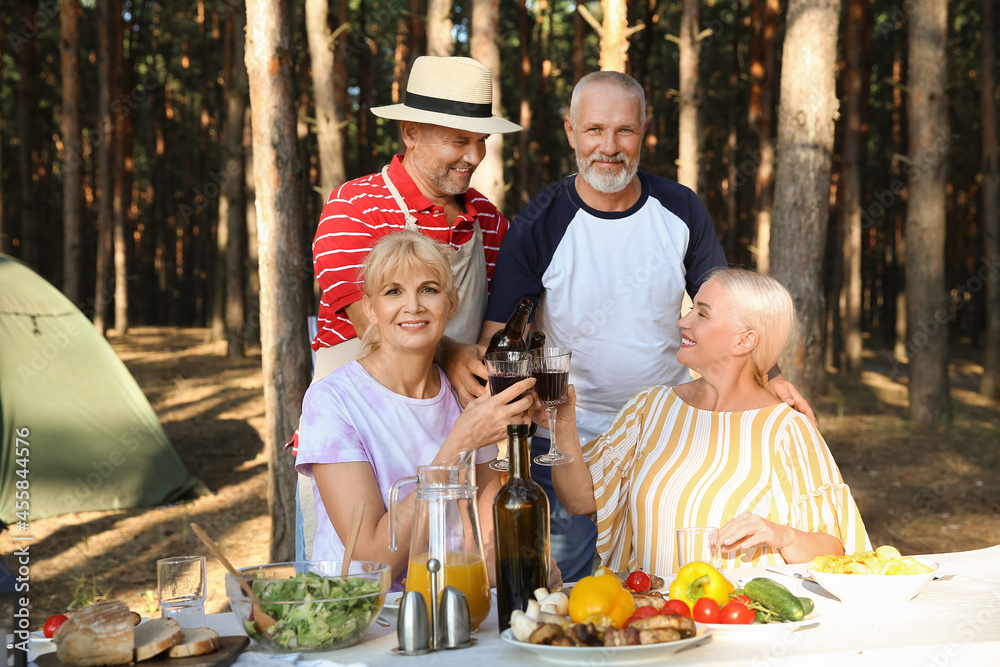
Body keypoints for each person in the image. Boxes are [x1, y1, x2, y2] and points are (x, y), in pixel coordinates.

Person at [446, 71, 812, 582]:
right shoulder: (539, 223)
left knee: (665, 579)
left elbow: (731, 312)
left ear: (645, 130)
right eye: (594, 130)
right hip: (566, 441)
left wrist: (769, 377)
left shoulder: (680, 209)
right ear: (571, 131)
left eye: (624, 131)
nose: (609, 147)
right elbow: (497, 338)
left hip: (670, 440)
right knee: (567, 588)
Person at [296, 56, 523, 560]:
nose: (474, 155)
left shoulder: (489, 219)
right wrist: (454, 352)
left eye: (481, 140)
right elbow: (372, 326)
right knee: (361, 579)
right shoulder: (354, 208)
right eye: (459, 139)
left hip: (456, 425)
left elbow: (496, 327)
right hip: (359, 446)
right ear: (411, 131)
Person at [545, 268, 870, 574]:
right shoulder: (650, 408)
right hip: (658, 624)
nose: (683, 321)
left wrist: (783, 536)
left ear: (745, 341)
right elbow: (580, 499)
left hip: (738, 624)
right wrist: (562, 423)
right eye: (691, 309)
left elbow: (837, 553)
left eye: (702, 313)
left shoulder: (786, 430)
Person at [294, 231, 536, 588]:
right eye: (394, 291)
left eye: (429, 289)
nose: (414, 306)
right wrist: (459, 444)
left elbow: (484, 541)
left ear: (451, 304)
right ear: (370, 309)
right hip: (361, 616)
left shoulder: (466, 396)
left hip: (452, 603)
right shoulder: (332, 401)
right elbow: (374, 562)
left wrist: (527, 564)